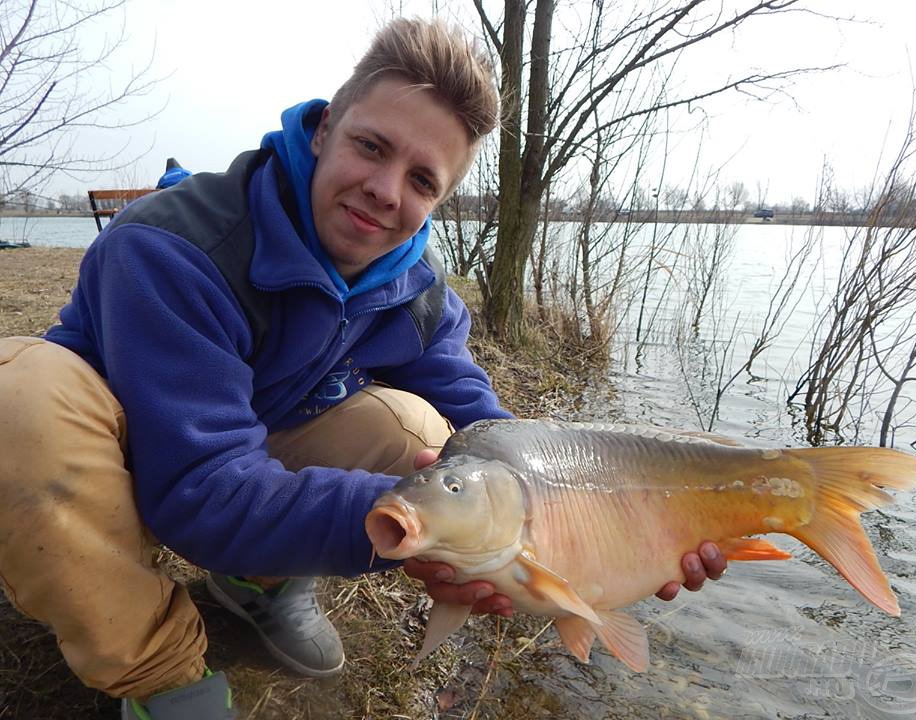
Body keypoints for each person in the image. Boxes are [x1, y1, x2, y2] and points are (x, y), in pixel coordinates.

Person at [0, 17, 725, 720]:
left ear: (438, 200)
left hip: (238, 450)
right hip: (112, 466)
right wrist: (404, 525)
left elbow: (494, 436)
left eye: (421, 179)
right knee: (18, 400)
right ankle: (159, 674)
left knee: (424, 432)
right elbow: (197, 489)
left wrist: (608, 524)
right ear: (323, 132)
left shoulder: (414, 291)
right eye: (371, 147)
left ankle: (255, 582)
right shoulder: (174, 248)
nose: (386, 189)